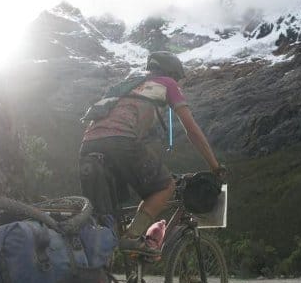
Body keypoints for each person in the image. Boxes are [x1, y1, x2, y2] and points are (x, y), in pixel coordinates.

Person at [79, 51, 223, 255]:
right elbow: (192, 130)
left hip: (88, 144)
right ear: (172, 73)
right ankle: (132, 237)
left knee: (107, 220)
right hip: (121, 141)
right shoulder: (167, 83)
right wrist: (215, 166)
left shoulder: (127, 85)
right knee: (165, 186)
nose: (176, 82)